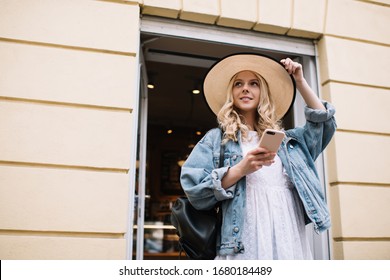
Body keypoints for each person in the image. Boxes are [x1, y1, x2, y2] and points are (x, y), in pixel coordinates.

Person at [180, 53, 336, 260]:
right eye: (238, 84)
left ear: (262, 92)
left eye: (254, 83)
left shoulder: (287, 141)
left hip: (288, 233)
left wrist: (300, 80)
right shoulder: (217, 139)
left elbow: (324, 124)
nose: (245, 88)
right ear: (231, 94)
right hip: (243, 239)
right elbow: (194, 189)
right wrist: (240, 169)